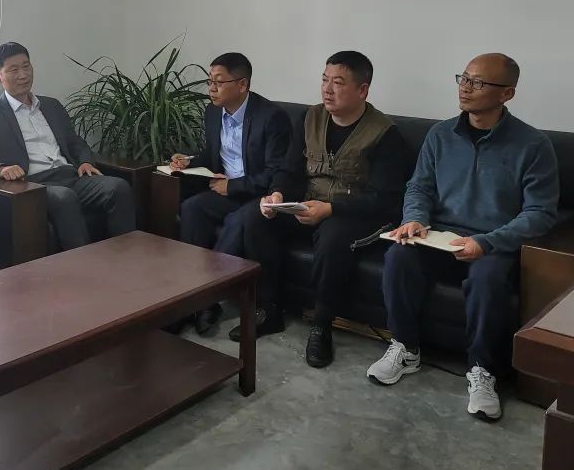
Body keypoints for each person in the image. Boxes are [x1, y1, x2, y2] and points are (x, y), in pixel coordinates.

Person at [366, 53, 559, 422]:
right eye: (463, 78)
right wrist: (415, 220)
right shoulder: (440, 135)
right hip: (439, 236)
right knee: (399, 256)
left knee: (488, 280)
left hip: (492, 244)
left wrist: (487, 242)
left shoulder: (533, 145)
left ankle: (482, 371)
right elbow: (419, 187)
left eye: (478, 82)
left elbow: (540, 213)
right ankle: (405, 348)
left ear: (507, 93)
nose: (466, 88)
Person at [231, 51, 409, 367]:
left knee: (333, 238)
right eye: (324, 80)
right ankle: (269, 309)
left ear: (362, 90)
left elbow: (384, 199)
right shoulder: (310, 117)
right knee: (254, 217)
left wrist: (330, 209)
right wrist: (277, 194)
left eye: (338, 83)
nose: (327, 89)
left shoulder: (385, 134)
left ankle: (322, 325)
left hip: (353, 214)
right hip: (307, 203)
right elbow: (289, 169)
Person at [0, 42, 136, 249]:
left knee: (118, 187)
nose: (23, 75)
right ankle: (82, 264)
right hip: (34, 185)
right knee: (64, 197)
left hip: (71, 176)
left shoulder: (51, 105)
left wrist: (85, 161)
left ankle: (126, 257)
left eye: (26, 66)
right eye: (13, 70)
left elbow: (74, 141)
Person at [167, 52, 290, 335]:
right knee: (192, 208)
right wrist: (189, 161)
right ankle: (191, 294)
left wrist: (233, 186)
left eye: (219, 82)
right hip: (227, 191)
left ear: (242, 84)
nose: (211, 89)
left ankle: (205, 299)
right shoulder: (213, 113)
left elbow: (275, 172)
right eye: (209, 81)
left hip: (261, 197)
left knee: (239, 221)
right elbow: (213, 155)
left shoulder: (272, 118)